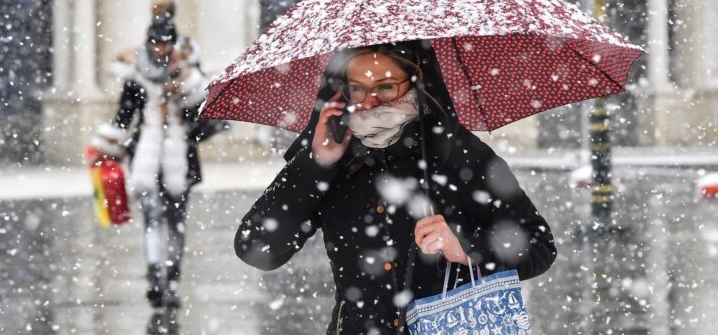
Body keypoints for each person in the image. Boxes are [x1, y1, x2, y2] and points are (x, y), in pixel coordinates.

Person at [234, 42, 556, 334]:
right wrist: (316, 164)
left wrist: (468, 246)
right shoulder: (334, 155)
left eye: (385, 87)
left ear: (415, 83)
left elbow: (539, 247)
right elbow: (257, 248)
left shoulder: (456, 152)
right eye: (356, 89)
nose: (369, 102)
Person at [89, 0, 225, 308]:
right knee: (151, 218)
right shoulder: (136, 76)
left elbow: (202, 107)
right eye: (156, 43)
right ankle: (154, 278)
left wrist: (184, 80)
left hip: (180, 156)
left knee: (176, 220)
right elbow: (124, 116)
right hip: (146, 157)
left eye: (166, 44)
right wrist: (107, 147)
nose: (161, 50)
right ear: (148, 44)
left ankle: (173, 280)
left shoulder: (188, 73)